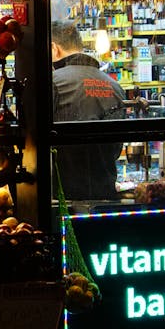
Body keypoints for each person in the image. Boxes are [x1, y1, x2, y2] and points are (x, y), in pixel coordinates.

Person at [51, 20, 127, 200]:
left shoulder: (53, 82)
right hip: (105, 192)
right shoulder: (115, 86)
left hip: (63, 195)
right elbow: (116, 149)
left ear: (54, 48)